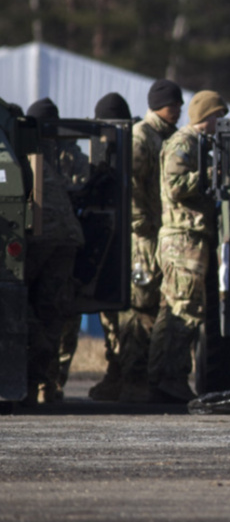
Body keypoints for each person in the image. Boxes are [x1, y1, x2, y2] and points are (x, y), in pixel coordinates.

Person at [147, 91, 228, 403]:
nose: (219, 123)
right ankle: (168, 378)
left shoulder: (199, 144)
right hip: (182, 238)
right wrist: (212, 175)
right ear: (205, 117)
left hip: (191, 239)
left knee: (177, 309)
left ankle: (165, 377)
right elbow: (175, 186)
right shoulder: (184, 142)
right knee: (184, 310)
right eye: (217, 117)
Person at [105, 81, 183, 403]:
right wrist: (142, 226)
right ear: (159, 105)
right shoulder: (143, 136)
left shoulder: (165, 136)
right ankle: (132, 380)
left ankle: (145, 378)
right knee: (140, 308)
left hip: (158, 233)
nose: (178, 111)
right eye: (173, 105)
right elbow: (132, 187)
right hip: (144, 238)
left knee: (154, 307)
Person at [55, 92, 131, 400]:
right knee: (69, 313)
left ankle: (54, 381)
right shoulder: (81, 154)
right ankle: (51, 380)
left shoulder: (87, 154)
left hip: (103, 241)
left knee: (110, 316)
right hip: (87, 241)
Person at [22, 98, 84, 406]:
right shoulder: (53, 157)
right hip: (67, 237)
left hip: (40, 239)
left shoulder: (24, 155)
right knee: (52, 314)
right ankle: (42, 385)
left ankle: (33, 383)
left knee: (22, 307)